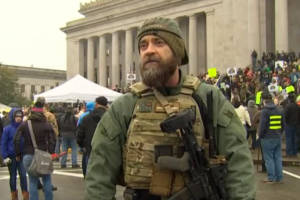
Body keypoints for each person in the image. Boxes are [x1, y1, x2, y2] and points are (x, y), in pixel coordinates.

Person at [85, 17, 255, 199]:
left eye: (158, 42)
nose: (149, 50)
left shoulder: (208, 98)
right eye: (143, 45)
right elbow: (99, 174)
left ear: (177, 50)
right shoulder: (126, 105)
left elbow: (239, 165)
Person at [14, 101, 56, 200]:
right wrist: (51, 152)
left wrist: (18, 153)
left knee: (32, 181)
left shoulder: (24, 125)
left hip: (28, 155)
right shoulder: (47, 124)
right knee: (47, 180)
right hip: (43, 155)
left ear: (31, 112)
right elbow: (53, 139)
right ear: (42, 113)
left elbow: (16, 139)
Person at [77, 96, 108, 177]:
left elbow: (80, 134)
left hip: (90, 148)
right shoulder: (110, 117)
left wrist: (82, 145)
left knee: (90, 173)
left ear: (96, 104)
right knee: (105, 174)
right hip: (106, 149)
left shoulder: (86, 117)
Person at [1, 108, 28, 200]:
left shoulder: (24, 127)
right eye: (16, 116)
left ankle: (25, 195)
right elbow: (3, 143)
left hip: (22, 156)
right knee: (13, 177)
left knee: (23, 175)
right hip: (11, 157)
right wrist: (4, 156)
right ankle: (14, 196)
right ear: (13, 117)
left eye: (20, 116)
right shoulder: (7, 129)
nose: (18, 118)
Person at [259, 92, 285, 183]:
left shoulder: (264, 111)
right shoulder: (279, 110)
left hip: (267, 138)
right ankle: (279, 177)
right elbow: (283, 125)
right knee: (277, 157)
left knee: (269, 158)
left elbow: (262, 126)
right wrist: (279, 133)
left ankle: (271, 177)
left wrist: (260, 136)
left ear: (264, 101)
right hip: (277, 137)